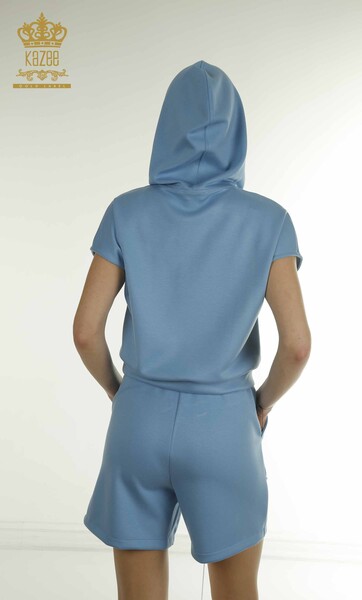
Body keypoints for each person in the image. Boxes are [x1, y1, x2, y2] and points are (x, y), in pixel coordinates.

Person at [73, 59, 311, 600]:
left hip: (138, 417)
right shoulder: (270, 220)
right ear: (237, 132)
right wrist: (261, 405)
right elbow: (297, 347)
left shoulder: (125, 212)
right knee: (235, 591)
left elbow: (86, 331)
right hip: (225, 424)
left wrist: (118, 391)